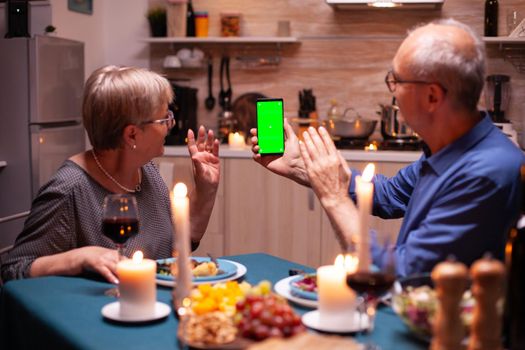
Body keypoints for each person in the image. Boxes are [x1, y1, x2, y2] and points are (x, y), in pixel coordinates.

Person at [251, 19, 524, 277]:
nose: (392, 91)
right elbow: (389, 194)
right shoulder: (449, 147)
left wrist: (334, 197)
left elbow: (403, 276)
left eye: (397, 81)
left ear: (432, 96)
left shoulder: (486, 174)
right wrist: (303, 166)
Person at [1, 66, 220, 284]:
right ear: (132, 134)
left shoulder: (146, 170)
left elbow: (177, 247)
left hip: (152, 308)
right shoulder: (69, 189)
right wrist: (79, 257)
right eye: (164, 120)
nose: (170, 126)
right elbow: (14, 270)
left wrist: (205, 189)